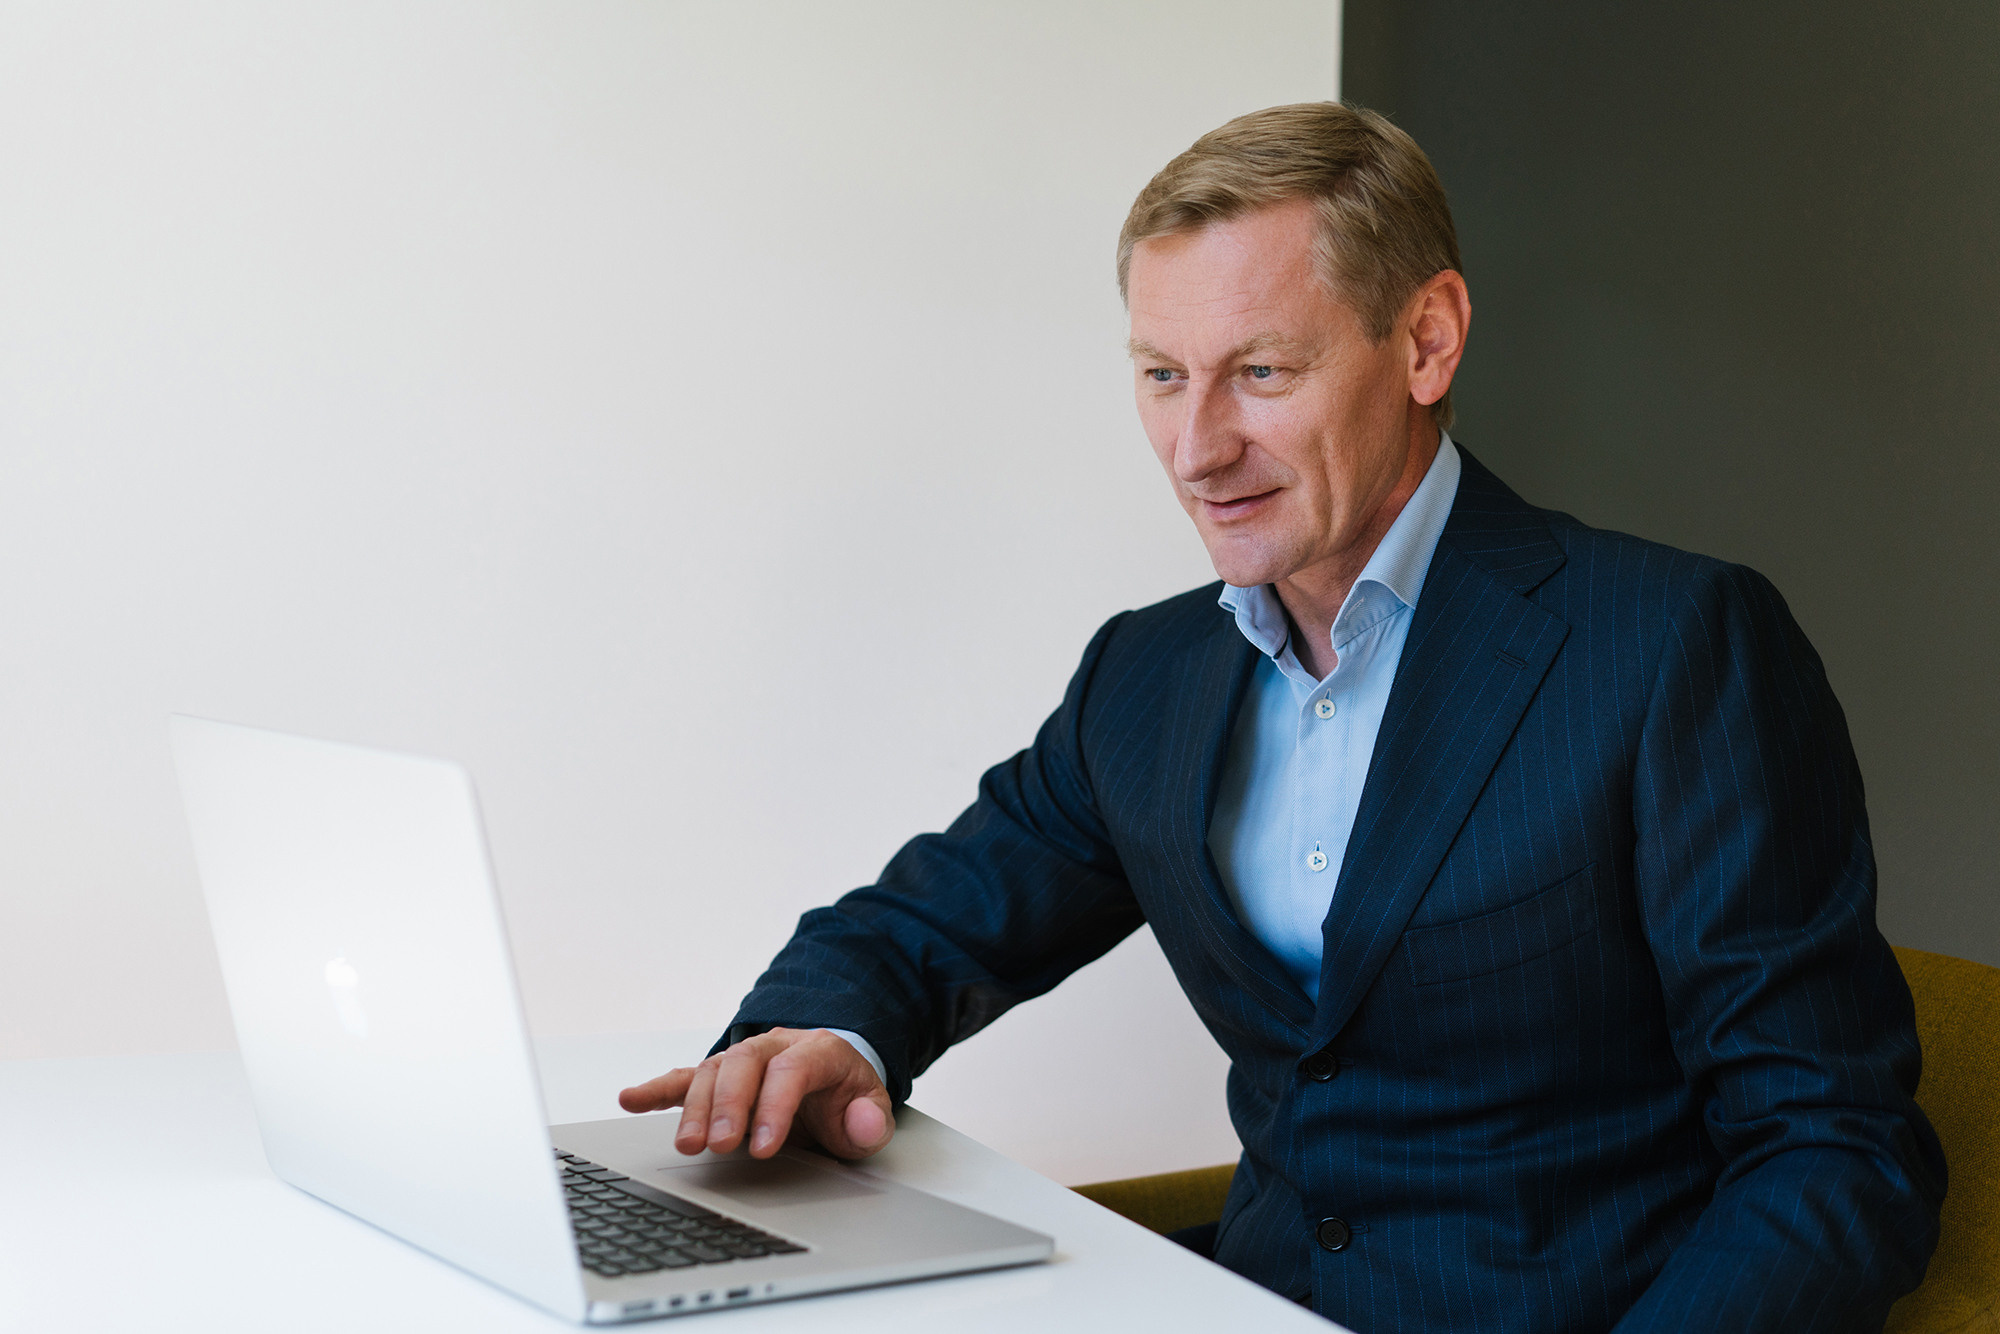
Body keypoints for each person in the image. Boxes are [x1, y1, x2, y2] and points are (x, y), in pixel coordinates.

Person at [619, 103, 1944, 1332]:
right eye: (1159, 375)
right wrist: (817, 1042)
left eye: (1258, 370)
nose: (1197, 448)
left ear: (1426, 340)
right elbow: (922, 924)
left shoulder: (1670, 648)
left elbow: (1834, 1149)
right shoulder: (1148, 675)